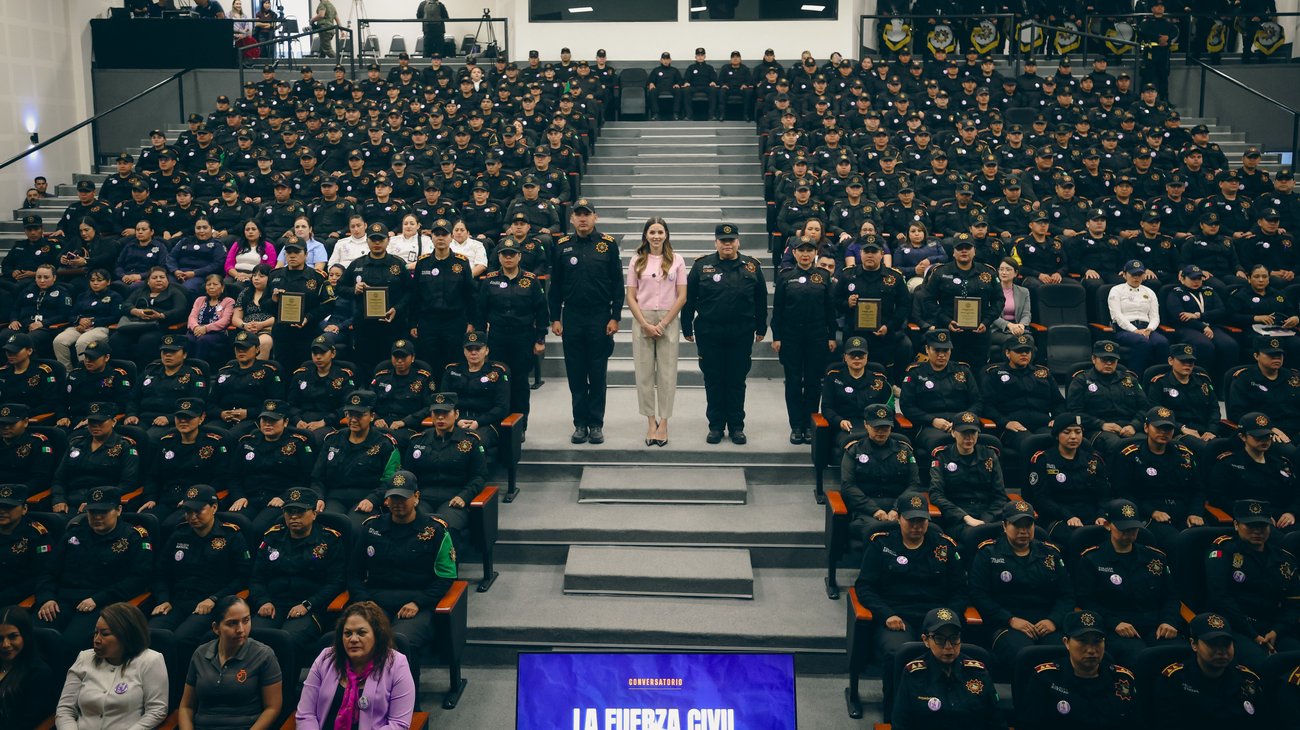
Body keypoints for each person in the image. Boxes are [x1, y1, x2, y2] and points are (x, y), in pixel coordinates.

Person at [347, 475, 456, 671]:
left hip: (416, 603)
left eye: (403, 498)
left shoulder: (435, 530)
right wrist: (364, 601)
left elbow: (446, 577)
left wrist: (419, 602)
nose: (397, 504)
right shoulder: (372, 527)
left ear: (416, 497)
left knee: (400, 642)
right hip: (374, 600)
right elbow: (353, 574)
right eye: (393, 498)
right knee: (356, 637)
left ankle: (408, 701)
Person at [855, 493, 965, 686]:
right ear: (898, 519)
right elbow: (865, 586)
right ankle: (894, 709)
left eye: (921, 521)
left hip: (937, 618)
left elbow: (960, 590)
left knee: (952, 650)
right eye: (911, 520)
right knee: (898, 652)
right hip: (897, 617)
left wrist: (949, 617)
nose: (917, 526)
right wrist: (886, 614)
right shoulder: (881, 544)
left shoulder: (944, 546)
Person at [682, 223, 768, 445]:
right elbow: (689, 298)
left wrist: (761, 327)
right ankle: (716, 426)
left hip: (741, 332)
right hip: (709, 332)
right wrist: (686, 326)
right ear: (716, 242)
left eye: (731, 240)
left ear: (738, 241)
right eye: (723, 240)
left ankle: (737, 426)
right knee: (713, 379)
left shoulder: (751, 266)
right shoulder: (702, 266)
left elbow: (761, 299)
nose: (727, 244)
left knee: (737, 380)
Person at [1073, 498, 1182, 668]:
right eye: (1123, 529)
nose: (1129, 534)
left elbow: (1171, 596)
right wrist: (1113, 623)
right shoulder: (1092, 559)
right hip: (1118, 628)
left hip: (1156, 624)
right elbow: (1085, 600)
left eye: (1133, 529)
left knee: (1178, 657)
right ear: (1108, 525)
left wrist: (1169, 620)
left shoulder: (1155, 558)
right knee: (1139, 659)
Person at [968, 500, 1075, 672]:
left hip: (1046, 623)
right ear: (1004, 525)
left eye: (1028, 524)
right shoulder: (988, 553)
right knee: (1026, 656)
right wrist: (1010, 619)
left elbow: (1066, 595)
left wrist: (1053, 620)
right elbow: (978, 594)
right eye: (1017, 525)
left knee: (1065, 655)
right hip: (1007, 624)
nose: (1023, 530)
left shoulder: (1050, 553)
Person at [549, 200, 623, 445]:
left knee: (597, 373)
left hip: (600, 317)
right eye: (578, 215)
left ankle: (596, 424)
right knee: (576, 373)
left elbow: (617, 284)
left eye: (587, 215)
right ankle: (580, 423)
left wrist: (615, 316)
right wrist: (554, 318)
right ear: (571, 219)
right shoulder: (561, 246)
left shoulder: (608, 245)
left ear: (595, 217)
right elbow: (556, 286)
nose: (582, 219)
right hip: (572, 316)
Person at [149, 485, 252, 648]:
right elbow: (161, 572)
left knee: (181, 639)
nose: (192, 516)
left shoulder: (231, 536)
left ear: (214, 507)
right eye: (188, 511)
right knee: (151, 634)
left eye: (198, 511)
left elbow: (242, 577)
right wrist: (163, 599)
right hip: (178, 601)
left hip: (211, 604)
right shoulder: (179, 534)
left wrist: (214, 599)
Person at [1204, 499, 1300, 671]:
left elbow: (1293, 603)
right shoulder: (1223, 551)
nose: (1257, 531)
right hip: (1237, 628)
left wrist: (1276, 631)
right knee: (1264, 665)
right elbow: (1220, 598)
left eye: (1262, 526)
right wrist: (1253, 635)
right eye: (1250, 526)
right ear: (1236, 525)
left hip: (1273, 628)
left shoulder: (1284, 559)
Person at [295, 601, 415, 729]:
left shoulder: (396, 664)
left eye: (361, 633)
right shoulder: (326, 658)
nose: (353, 639)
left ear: (377, 634)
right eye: (347, 633)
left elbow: (398, 724)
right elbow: (306, 714)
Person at [55, 602, 168, 729]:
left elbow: (157, 711)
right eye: (95, 632)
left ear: (126, 636)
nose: (96, 640)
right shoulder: (84, 658)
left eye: (105, 634)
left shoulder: (150, 660)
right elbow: (65, 710)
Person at [1017, 609, 1138, 728]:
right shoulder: (1046, 678)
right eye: (1083, 641)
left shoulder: (1122, 679)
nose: (1091, 650)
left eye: (1097, 641)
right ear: (1066, 643)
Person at [177, 595, 282, 730]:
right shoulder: (200, 654)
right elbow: (187, 707)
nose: (241, 629)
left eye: (246, 620)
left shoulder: (264, 655)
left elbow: (272, 708)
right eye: (232, 623)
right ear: (216, 628)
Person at [890, 607, 1004, 730]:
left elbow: (996, 722)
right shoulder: (914, 674)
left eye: (954, 638)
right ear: (926, 640)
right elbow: (901, 724)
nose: (948, 646)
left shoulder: (978, 672)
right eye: (939, 639)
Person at [1146, 612, 1267, 727]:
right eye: (1213, 644)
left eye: (1226, 644)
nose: (1221, 651)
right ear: (1194, 644)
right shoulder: (1174, 679)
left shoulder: (1247, 679)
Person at [476, 240, 548, 434]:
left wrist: (540, 339)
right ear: (499, 256)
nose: (508, 257)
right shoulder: (489, 280)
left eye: (512, 254)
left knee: (520, 383)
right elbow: (481, 312)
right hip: (497, 337)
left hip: (523, 337)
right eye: (504, 254)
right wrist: (480, 342)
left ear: (519, 256)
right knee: (497, 380)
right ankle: (497, 425)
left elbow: (541, 311)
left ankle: (519, 426)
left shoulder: (531, 280)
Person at [625, 217, 686, 446]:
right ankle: (651, 422)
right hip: (643, 320)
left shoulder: (677, 260)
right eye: (652, 232)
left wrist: (662, 324)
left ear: (666, 234)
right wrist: (645, 324)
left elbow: (682, 296)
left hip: (668, 320)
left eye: (660, 232)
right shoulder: (637, 260)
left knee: (668, 374)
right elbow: (630, 296)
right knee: (644, 374)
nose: (656, 236)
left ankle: (664, 422)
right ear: (646, 235)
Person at [772, 239, 837, 444]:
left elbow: (830, 311)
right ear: (795, 253)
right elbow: (778, 309)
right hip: (791, 336)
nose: (806, 254)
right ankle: (796, 426)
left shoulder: (824, 276)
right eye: (802, 251)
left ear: (815, 253)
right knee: (792, 382)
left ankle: (809, 424)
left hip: (817, 336)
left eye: (809, 250)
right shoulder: (785, 276)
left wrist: (831, 336)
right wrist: (776, 337)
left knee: (812, 382)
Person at [1112, 407, 1203, 548]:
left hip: (1183, 512)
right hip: (1148, 514)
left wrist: (1195, 512)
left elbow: (1198, 489)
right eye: (1159, 428)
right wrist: (1152, 512)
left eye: (1168, 429)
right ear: (1146, 428)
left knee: (1204, 540)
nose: (1164, 433)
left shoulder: (1184, 455)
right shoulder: (1130, 455)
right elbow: (1122, 493)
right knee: (1176, 543)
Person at [313, 391, 399, 530]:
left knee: (355, 528)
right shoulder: (332, 440)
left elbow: (390, 480)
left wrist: (373, 499)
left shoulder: (385, 444)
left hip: (365, 497)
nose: (353, 419)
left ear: (371, 416)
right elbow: (317, 477)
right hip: (334, 497)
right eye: (349, 414)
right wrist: (319, 497)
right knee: (326, 526)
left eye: (359, 415)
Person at [404, 396, 487, 537]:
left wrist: (464, 496)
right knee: (411, 523)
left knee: (444, 527)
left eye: (446, 413)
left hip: (454, 498)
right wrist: (411, 495)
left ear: (456, 414)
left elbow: (479, 476)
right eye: (436, 413)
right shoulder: (418, 440)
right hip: (423, 497)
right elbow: (407, 473)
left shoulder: (470, 441)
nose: (440, 418)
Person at [900, 329, 983, 457]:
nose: (941, 355)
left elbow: (977, 402)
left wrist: (962, 421)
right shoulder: (915, 373)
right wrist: (932, 420)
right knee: (943, 443)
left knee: (989, 443)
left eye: (945, 350)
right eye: (937, 350)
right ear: (927, 349)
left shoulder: (963, 371)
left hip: (963, 425)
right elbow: (907, 406)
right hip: (929, 426)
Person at [1208, 413, 1299, 529]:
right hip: (1250, 522)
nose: (1265, 440)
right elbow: (1217, 498)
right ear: (1242, 437)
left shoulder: (1280, 463)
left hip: (1284, 519)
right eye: (1258, 437)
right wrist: (1258, 515)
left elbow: (1296, 492)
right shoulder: (1229, 464)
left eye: (1268, 436)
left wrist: (1291, 512)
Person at [979, 333, 1061, 458]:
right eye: (1019, 351)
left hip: (1043, 424)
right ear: (1007, 353)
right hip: (1013, 426)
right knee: (1032, 443)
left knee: (1059, 439)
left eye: (1027, 351)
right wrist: (1005, 423)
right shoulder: (994, 374)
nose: (1024, 354)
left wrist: (1057, 419)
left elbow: (1059, 402)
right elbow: (987, 406)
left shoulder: (1043, 373)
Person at [1065, 340, 1151, 456]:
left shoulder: (1129, 380)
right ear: (1094, 359)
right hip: (1098, 429)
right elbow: (1075, 413)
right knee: (1118, 447)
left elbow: (1145, 407)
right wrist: (1101, 424)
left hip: (1129, 427)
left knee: (1149, 444)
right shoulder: (1081, 381)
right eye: (1104, 360)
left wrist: (1134, 426)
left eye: (1113, 360)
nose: (1109, 363)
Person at [50, 407, 141, 513]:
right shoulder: (76, 444)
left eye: (100, 421)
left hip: (103, 505)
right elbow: (59, 479)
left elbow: (128, 484)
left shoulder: (125, 446)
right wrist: (58, 499)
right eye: (92, 421)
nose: (95, 425)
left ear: (113, 422)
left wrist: (96, 501)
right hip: (70, 501)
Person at [821, 338, 893, 449]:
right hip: (844, 427)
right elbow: (827, 408)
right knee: (854, 446)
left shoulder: (879, 379)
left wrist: (876, 426)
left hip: (874, 427)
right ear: (845, 357)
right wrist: (839, 421)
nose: (857, 358)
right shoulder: (833, 377)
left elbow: (888, 409)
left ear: (867, 357)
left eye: (861, 355)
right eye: (852, 355)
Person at [0, 605, 58, 728]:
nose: (5, 645)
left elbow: (24, 723)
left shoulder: (39, 673)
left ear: (25, 636)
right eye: (0, 638)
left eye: (12, 636)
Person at [52, 270, 121, 371]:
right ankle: (67, 372)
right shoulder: (82, 296)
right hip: (79, 327)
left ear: (108, 282)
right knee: (59, 341)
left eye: (99, 280)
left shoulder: (115, 296)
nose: (95, 283)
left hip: (101, 327)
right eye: (92, 280)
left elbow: (116, 317)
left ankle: (84, 371)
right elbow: (71, 315)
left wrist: (93, 322)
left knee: (83, 342)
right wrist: (79, 320)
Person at [1108, 259, 1169, 373]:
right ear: (1125, 274)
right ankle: (1134, 377)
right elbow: (1117, 315)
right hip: (1125, 330)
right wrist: (1135, 330)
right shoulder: (1116, 290)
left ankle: (1161, 377)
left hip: (1147, 328)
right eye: (1133, 275)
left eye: (1139, 275)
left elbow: (1155, 316)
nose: (1136, 278)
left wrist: (1149, 329)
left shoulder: (1149, 292)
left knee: (1162, 342)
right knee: (1142, 342)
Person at [187, 274, 235, 362]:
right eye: (209, 284)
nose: (211, 287)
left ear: (222, 287)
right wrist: (196, 327)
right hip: (196, 330)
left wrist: (206, 328)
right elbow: (192, 316)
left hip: (216, 333)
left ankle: (197, 367)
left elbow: (225, 320)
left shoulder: (228, 301)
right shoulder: (199, 300)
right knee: (188, 340)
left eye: (215, 284)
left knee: (203, 340)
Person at [232, 264, 276, 359]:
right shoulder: (245, 293)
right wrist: (245, 325)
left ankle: (258, 372)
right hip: (247, 330)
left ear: (270, 278)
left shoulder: (274, 294)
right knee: (243, 342)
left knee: (263, 342)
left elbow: (280, 316)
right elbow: (235, 318)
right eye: (254, 275)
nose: (256, 278)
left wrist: (262, 324)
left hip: (268, 329)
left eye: (261, 276)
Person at [988, 258, 1030, 352]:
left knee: (1029, 341)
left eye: (1008, 269)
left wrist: (1021, 326)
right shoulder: (991, 291)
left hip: (1018, 329)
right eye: (1001, 269)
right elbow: (992, 315)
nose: (1004, 272)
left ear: (1015, 273)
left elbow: (1026, 314)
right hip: (997, 330)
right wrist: (1009, 325)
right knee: (1012, 341)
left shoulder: (1024, 292)